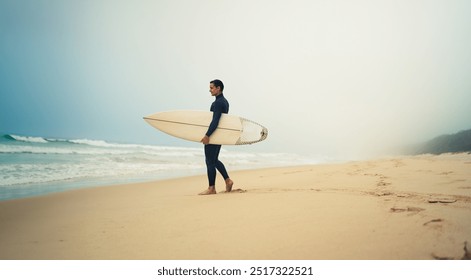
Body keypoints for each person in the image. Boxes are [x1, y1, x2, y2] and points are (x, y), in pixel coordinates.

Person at [199, 79, 234, 195]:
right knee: (214, 160)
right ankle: (228, 181)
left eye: (212, 88)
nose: (210, 90)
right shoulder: (225, 102)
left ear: (218, 88)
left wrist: (207, 135)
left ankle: (211, 188)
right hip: (220, 135)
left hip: (214, 134)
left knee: (209, 161)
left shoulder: (218, 103)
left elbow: (216, 120)